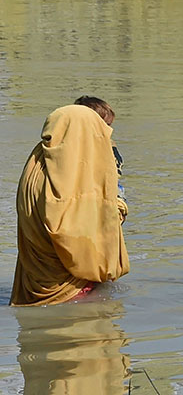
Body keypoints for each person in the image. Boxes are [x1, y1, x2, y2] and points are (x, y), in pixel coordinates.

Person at [10, 105, 130, 306]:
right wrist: (118, 207)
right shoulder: (74, 175)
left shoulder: (36, 165)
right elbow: (73, 233)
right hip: (72, 290)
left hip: (33, 283)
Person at [74, 95, 128, 223]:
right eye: (104, 125)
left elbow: (113, 183)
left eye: (109, 125)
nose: (109, 130)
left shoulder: (108, 147)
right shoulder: (70, 148)